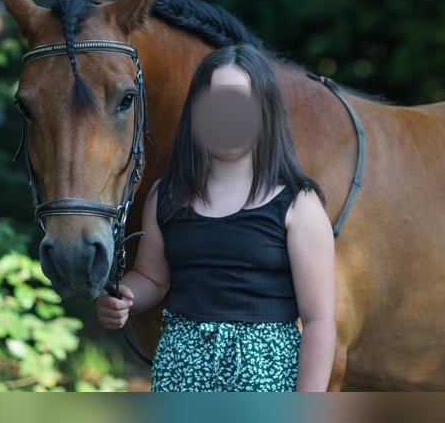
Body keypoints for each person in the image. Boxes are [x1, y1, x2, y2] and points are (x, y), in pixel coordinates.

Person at [96, 43, 336, 392]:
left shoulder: (299, 204)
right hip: (182, 375)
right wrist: (122, 298)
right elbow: (152, 277)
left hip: (265, 384)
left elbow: (319, 321)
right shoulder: (167, 196)